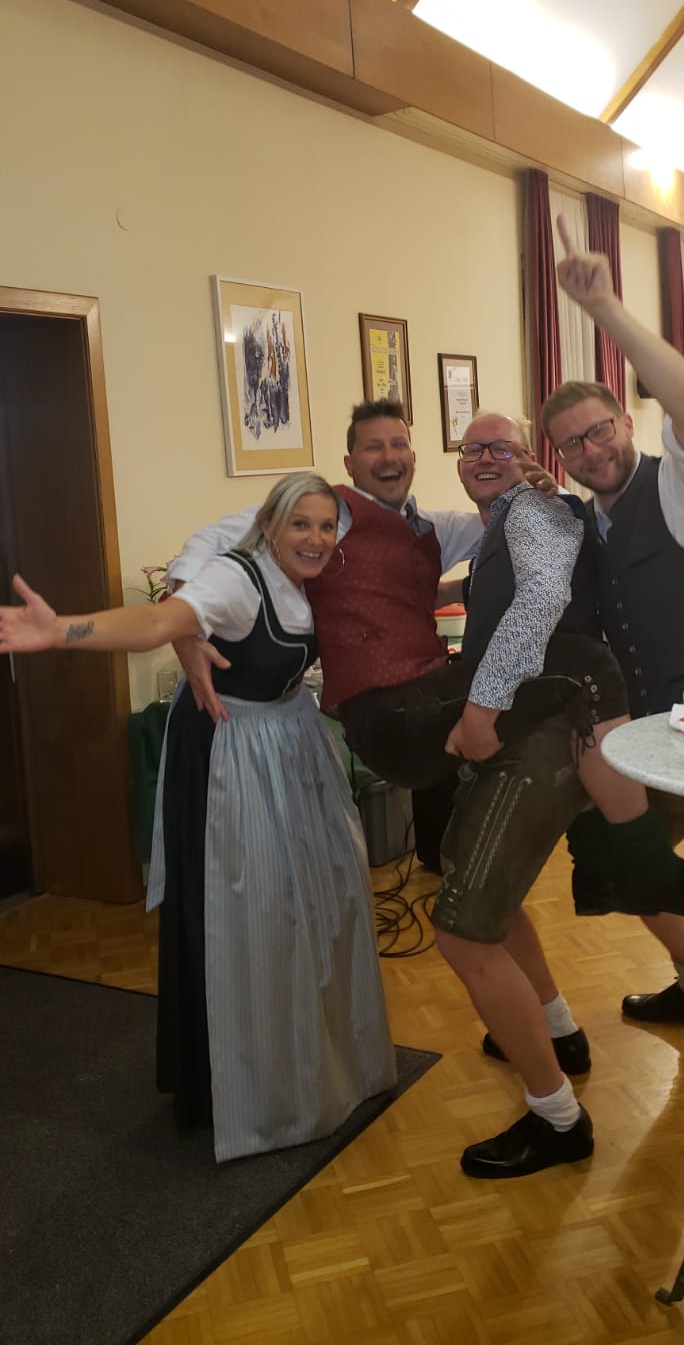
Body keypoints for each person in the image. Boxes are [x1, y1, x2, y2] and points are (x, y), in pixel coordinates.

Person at [170, 400, 600, 1115]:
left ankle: (557, 1028)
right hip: (391, 718)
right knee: (564, 673)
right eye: (373, 447)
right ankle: (606, 767)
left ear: (415, 454)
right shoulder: (325, 513)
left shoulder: (433, 526)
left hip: (427, 702)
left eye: (399, 444)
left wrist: (540, 491)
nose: (389, 457)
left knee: (476, 879)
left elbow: (502, 527)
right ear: (350, 462)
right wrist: (185, 619)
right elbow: (209, 539)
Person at [0, 473, 396, 1164]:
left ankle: (331, 1065)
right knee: (259, 913)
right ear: (268, 526)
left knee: (329, 901)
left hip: (292, 742)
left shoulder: (314, 567)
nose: (314, 537)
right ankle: (258, 1091)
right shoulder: (236, 581)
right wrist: (62, 629)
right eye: (299, 524)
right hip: (232, 750)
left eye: (325, 526)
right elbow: (159, 624)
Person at [542, 214, 684, 1235]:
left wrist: (602, 305)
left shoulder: (683, 487)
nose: (594, 449)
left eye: (603, 429)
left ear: (624, 424)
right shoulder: (585, 521)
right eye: (574, 442)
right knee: (610, 846)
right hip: (665, 742)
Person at [428, 408, 684, 1180]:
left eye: (499, 447)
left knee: (464, 923)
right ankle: (566, 1025)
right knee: (553, 880)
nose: (483, 457)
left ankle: (557, 1119)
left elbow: (540, 599)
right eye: (471, 448)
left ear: (526, 456)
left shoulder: (533, 511)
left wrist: (480, 708)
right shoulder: (503, 520)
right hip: (556, 720)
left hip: (544, 729)